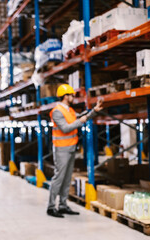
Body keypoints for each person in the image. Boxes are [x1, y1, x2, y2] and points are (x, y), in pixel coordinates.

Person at [46, 84, 103, 218]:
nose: (73, 97)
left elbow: (81, 116)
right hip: (61, 148)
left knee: (66, 178)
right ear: (65, 96)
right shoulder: (57, 111)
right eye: (71, 95)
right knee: (59, 178)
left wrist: (94, 111)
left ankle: (63, 205)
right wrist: (81, 120)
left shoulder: (69, 110)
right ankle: (51, 207)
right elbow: (66, 128)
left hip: (71, 147)